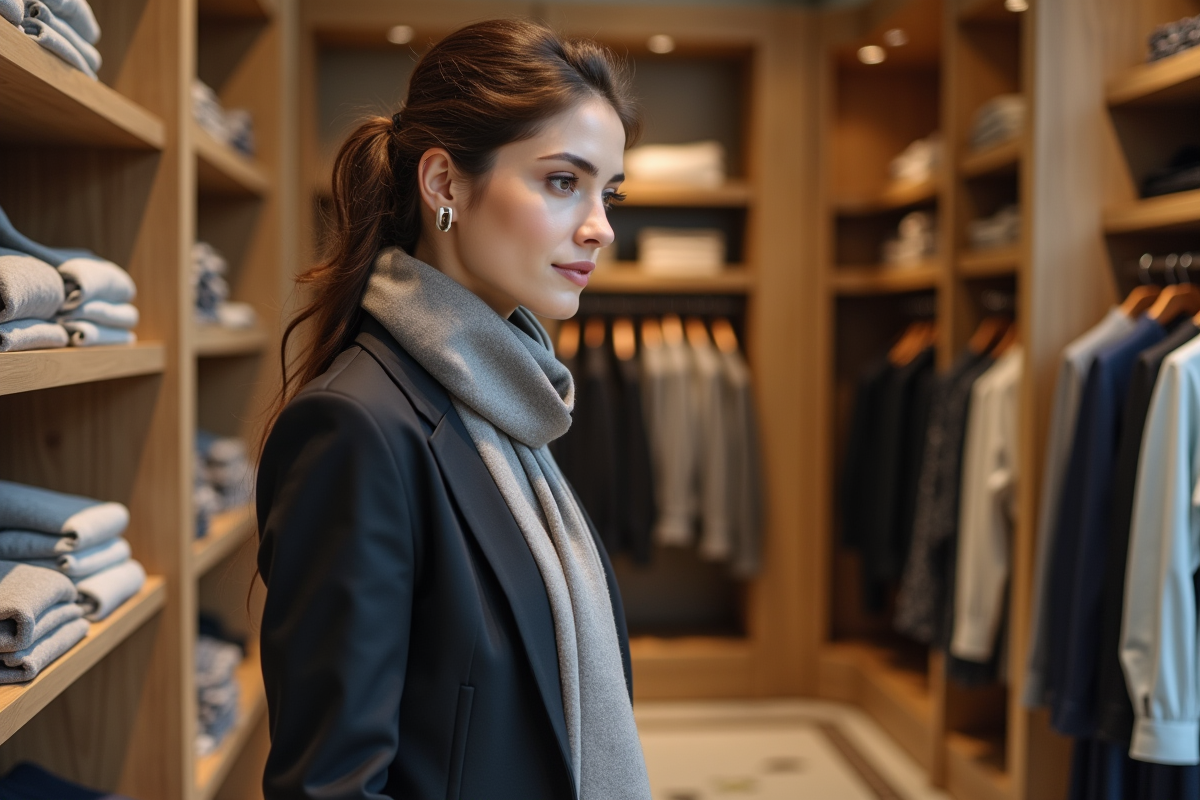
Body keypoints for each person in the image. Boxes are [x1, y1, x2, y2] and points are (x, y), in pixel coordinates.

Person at [253, 17, 651, 800]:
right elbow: (331, 786)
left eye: (609, 191)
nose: (601, 227)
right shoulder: (357, 428)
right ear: (443, 185)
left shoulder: (514, 401)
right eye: (563, 182)